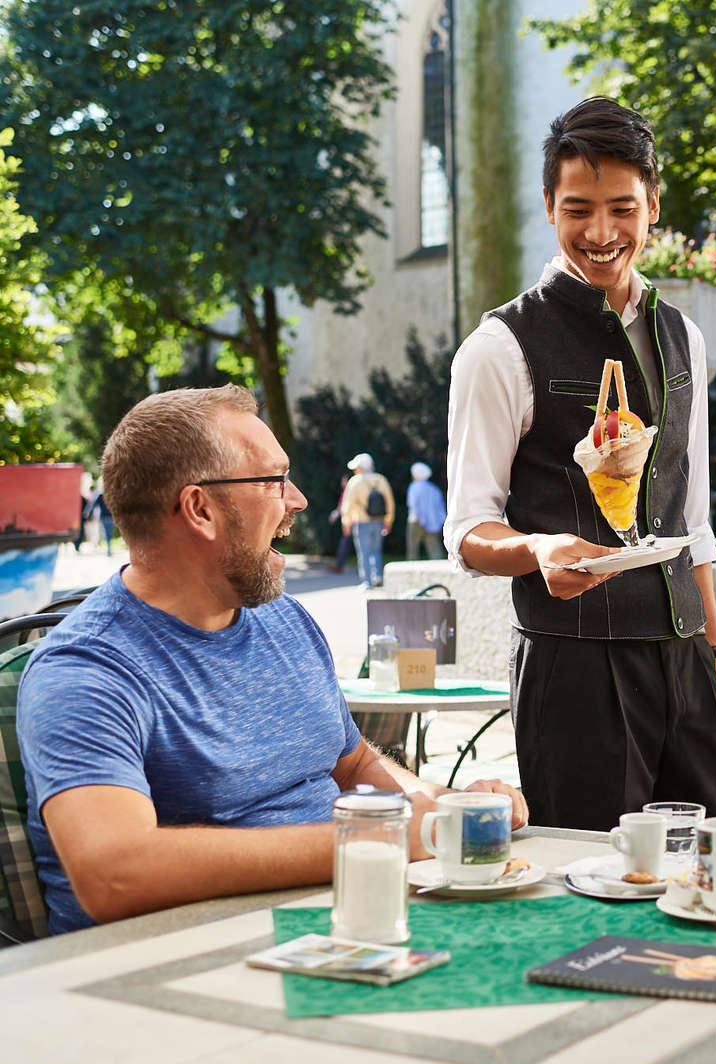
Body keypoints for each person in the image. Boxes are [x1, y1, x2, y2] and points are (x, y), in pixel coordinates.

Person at [16, 387, 526, 935]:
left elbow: (350, 765)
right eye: (273, 480)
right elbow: (115, 874)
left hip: (343, 921)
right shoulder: (85, 672)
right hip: (182, 968)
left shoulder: (283, 618)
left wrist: (449, 809)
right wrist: (384, 838)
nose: (298, 500)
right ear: (200, 508)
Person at [445, 97, 716, 830]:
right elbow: (466, 532)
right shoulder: (499, 348)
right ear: (549, 206)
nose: (602, 233)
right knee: (588, 891)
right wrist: (540, 546)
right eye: (579, 209)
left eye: (623, 208)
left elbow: (691, 517)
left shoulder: (685, 338)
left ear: (653, 205)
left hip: (683, 660)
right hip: (573, 669)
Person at [340, 452, 393, 588]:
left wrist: (346, 522)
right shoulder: (381, 479)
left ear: (361, 467)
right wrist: (389, 520)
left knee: (364, 552)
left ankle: (367, 582)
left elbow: (348, 503)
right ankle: (378, 577)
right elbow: (389, 502)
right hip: (379, 521)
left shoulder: (355, 481)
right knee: (376, 551)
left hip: (361, 522)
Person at [405, 462, 447, 561]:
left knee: (413, 550)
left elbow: (413, 505)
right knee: (434, 549)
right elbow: (440, 508)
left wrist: (420, 518)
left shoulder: (414, 487)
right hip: (433, 523)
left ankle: (411, 571)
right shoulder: (434, 489)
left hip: (416, 521)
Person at [327, 474, 355, 573]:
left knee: (346, 543)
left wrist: (334, 515)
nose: (342, 483)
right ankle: (339, 564)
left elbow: (342, 506)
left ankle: (339, 565)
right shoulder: (348, 492)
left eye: (344, 481)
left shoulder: (350, 492)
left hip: (352, 522)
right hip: (351, 521)